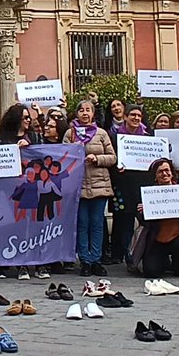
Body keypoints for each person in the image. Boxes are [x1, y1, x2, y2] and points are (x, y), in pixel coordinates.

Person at [63, 99, 116, 278]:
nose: (85, 113)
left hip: (100, 184)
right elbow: (62, 158)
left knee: (97, 224)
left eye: (88, 110)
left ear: (93, 113)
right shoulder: (70, 134)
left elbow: (112, 158)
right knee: (82, 223)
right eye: (81, 110)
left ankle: (96, 260)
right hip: (78, 186)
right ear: (76, 113)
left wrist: (97, 159)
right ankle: (85, 260)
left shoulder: (101, 134)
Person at [132, 158, 179, 278]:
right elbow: (142, 222)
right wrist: (142, 213)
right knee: (151, 272)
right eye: (160, 171)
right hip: (156, 240)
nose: (164, 174)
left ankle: (177, 264)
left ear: (172, 173)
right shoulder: (149, 194)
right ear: (155, 176)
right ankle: (164, 262)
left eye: (167, 170)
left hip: (177, 238)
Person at [108, 104, 148, 264]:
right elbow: (111, 159)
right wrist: (118, 168)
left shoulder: (148, 136)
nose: (136, 118)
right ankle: (125, 253)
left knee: (144, 219)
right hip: (122, 184)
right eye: (133, 115)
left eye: (139, 115)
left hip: (142, 184)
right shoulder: (115, 137)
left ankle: (140, 251)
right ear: (125, 117)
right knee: (123, 221)